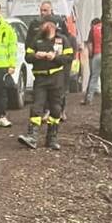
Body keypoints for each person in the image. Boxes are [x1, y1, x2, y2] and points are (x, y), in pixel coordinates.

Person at [22, 20, 66, 149]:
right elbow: (27, 57)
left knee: (56, 108)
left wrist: (55, 58)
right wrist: (36, 55)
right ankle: (32, 137)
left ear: (53, 27)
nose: (45, 28)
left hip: (56, 78)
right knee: (37, 106)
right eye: (43, 26)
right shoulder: (36, 40)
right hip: (40, 78)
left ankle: (51, 139)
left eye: (48, 25)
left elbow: (69, 57)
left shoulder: (62, 40)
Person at [84, 16, 103, 105]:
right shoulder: (106, 28)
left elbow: (90, 44)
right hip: (107, 55)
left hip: (97, 54)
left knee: (94, 76)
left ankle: (89, 98)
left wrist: (91, 55)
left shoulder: (93, 29)